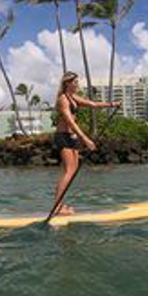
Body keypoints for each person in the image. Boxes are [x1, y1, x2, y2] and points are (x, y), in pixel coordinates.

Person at [52, 72, 120, 215]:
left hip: (71, 137)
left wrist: (112, 104)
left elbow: (92, 104)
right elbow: (70, 121)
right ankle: (58, 207)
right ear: (67, 83)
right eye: (75, 82)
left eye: (77, 82)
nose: (77, 84)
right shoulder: (63, 99)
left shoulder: (73, 97)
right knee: (69, 172)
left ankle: (60, 204)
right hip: (63, 136)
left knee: (71, 172)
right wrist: (85, 139)